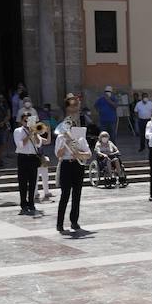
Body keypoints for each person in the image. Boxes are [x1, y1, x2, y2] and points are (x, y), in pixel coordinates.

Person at [54, 99, 89, 234]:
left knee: (77, 195)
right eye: (66, 126)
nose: (68, 128)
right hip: (66, 166)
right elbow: (58, 154)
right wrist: (66, 143)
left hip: (78, 167)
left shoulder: (80, 138)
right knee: (65, 195)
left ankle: (74, 221)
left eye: (71, 125)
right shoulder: (60, 138)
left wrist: (78, 154)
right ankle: (60, 223)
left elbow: (88, 154)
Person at [13, 112, 44, 215]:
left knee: (33, 182)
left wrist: (34, 134)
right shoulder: (18, 131)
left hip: (33, 158)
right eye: (25, 121)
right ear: (22, 121)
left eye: (29, 121)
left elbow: (39, 144)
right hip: (23, 158)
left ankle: (31, 203)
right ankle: (23, 203)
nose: (27, 123)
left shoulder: (35, 131)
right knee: (22, 182)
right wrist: (29, 134)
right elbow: (20, 145)